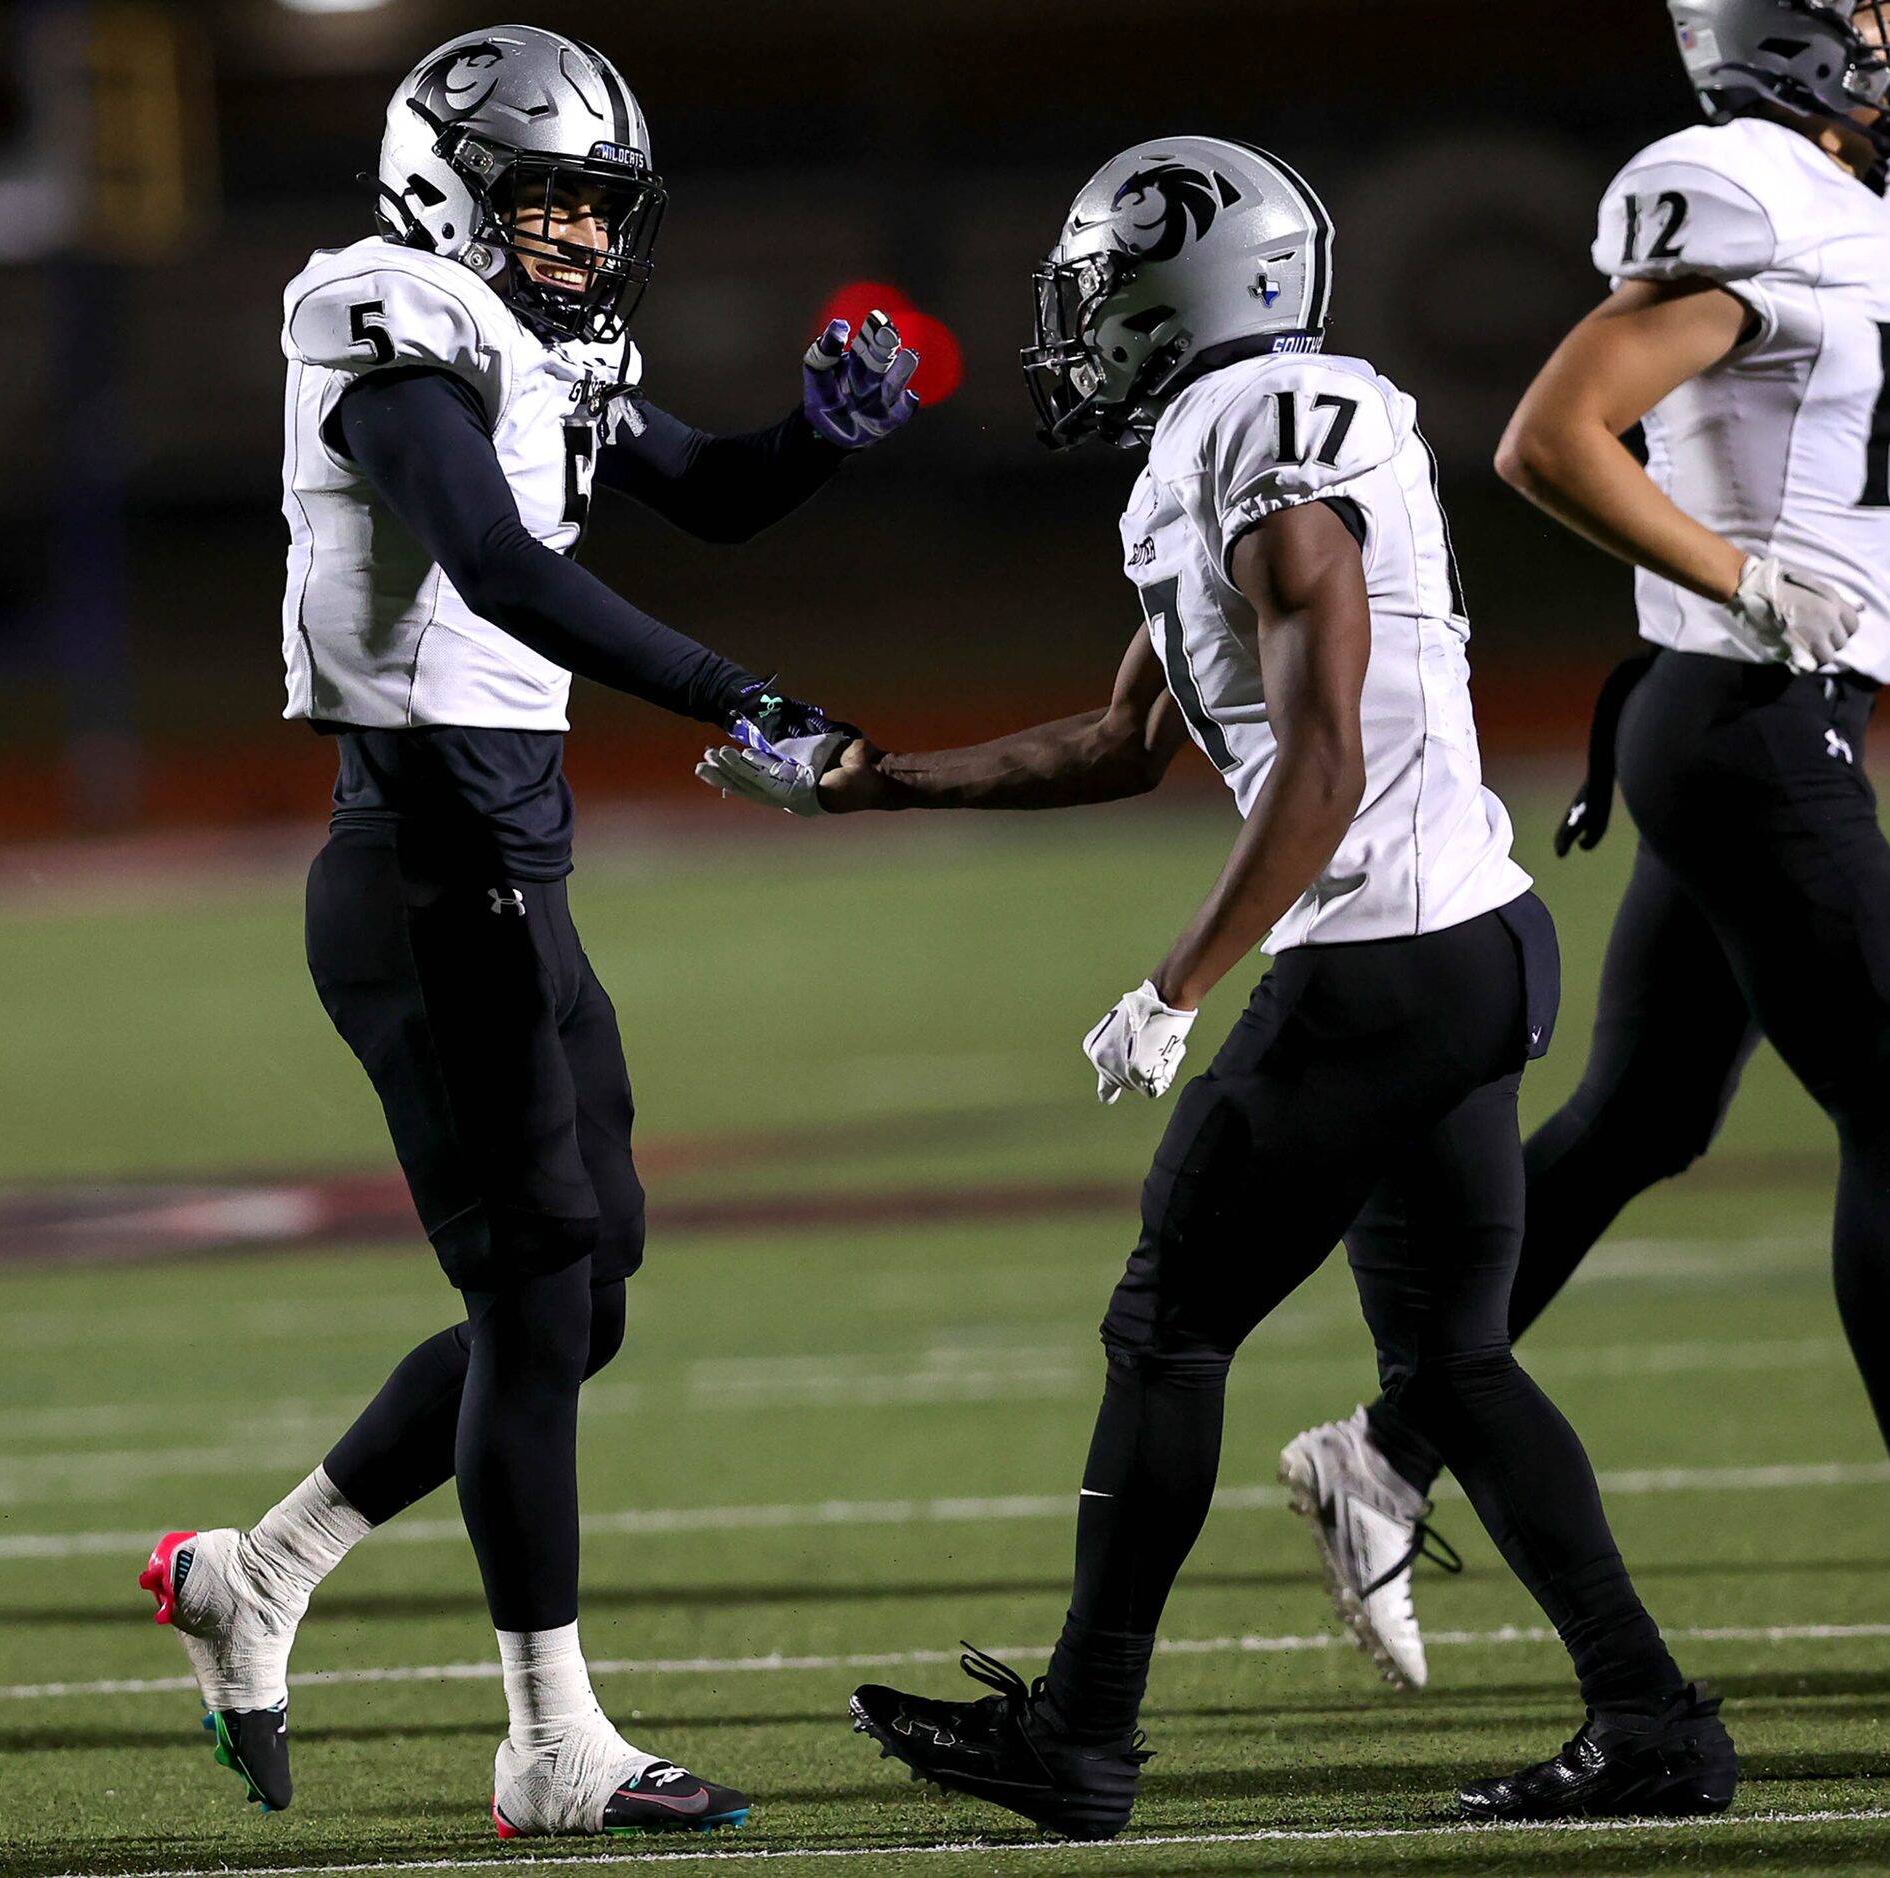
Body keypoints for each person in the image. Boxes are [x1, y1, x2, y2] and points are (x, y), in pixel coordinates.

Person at [697, 137, 1735, 1838]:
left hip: (1377, 957)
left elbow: (1320, 761)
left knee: (1168, 1327)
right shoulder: (1239, 433)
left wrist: (1181, 980)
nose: (1080, 330)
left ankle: (1084, 1736)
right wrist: (867, 778)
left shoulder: (1264, 439)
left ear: (1196, 287)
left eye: (1102, 295)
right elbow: (1120, 740)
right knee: (1459, 1362)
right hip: (1464, 936)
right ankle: (1652, 1720)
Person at [136, 25, 910, 1837]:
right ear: (446, 180)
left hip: (510, 852)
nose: (574, 234)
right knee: (535, 1281)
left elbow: (700, 484)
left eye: (592, 203)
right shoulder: (386, 316)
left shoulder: (535, 338)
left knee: (591, 1278)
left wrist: (814, 439)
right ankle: (550, 1740)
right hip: (419, 860)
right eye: (545, 194)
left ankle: (265, 1567)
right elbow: (496, 563)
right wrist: (735, 691)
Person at [1284, 0, 1890, 1697]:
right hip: (1744, 718)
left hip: (1761, 723)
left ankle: (1383, 1451)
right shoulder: (1748, 190)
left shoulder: (1848, 216)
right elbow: (1551, 435)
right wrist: (1745, 574)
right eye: (1867, 15)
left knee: (1640, 1114)